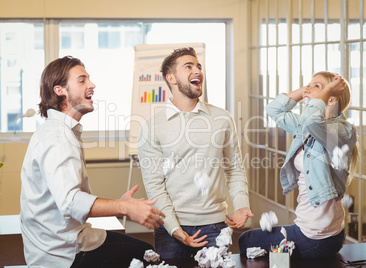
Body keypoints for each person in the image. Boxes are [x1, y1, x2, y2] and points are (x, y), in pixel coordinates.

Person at [20, 56, 165, 268]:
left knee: (144, 254)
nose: (92, 85)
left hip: (66, 240)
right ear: (60, 90)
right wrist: (125, 208)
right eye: (82, 80)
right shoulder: (57, 136)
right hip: (63, 254)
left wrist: (121, 206)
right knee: (147, 257)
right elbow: (71, 202)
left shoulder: (59, 131)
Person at [137, 47, 254, 259]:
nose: (197, 70)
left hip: (215, 225)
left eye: (198, 66)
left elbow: (234, 168)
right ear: (171, 78)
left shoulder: (222, 118)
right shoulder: (151, 127)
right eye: (188, 66)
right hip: (170, 229)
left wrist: (241, 205)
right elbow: (155, 184)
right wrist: (173, 228)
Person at [239, 71, 358, 259]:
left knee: (246, 241)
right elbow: (273, 109)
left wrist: (324, 91)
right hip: (312, 229)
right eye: (308, 85)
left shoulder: (342, 131)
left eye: (316, 86)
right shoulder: (305, 127)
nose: (309, 89)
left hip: (317, 237)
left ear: (331, 99)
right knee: (249, 241)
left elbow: (313, 121)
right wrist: (307, 91)